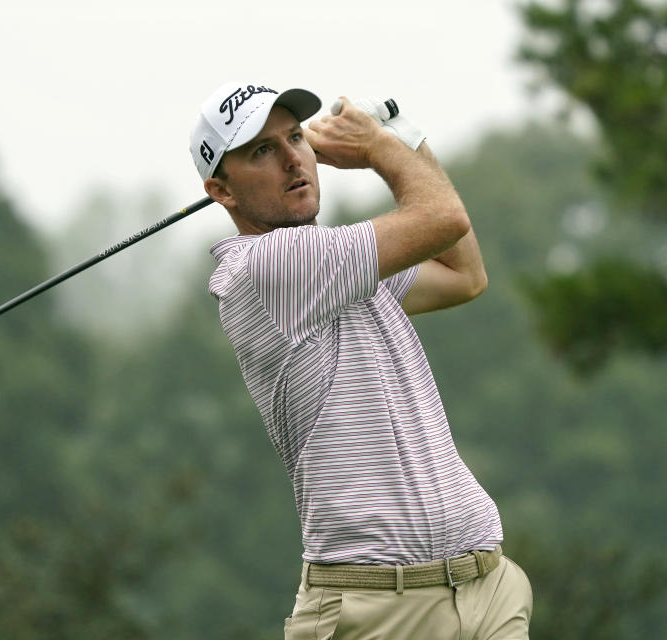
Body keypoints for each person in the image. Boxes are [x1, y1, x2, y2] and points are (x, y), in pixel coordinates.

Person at [189, 82, 533, 640]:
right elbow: (442, 216)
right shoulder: (272, 268)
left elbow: (464, 275)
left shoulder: (337, 266)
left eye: (295, 138)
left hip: (484, 588)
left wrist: (407, 139)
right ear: (221, 192)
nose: (292, 159)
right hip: (375, 609)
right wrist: (376, 148)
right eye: (261, 151)